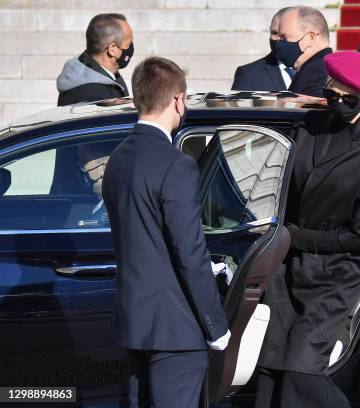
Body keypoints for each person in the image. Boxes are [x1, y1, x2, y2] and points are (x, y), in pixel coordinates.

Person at [255, 51, 360, 408]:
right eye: (330, 96)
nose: (337, 104)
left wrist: (298, 237)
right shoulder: (306, 128)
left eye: (346, 99)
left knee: (302, 372)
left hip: (336, 277)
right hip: (287, 272)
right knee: (269, 368)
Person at [102, 57, 230, 408]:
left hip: (135, 322)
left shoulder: (117, 159)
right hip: (176, 329)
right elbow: (188, 252)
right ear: (177, 100)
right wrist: (216, 327)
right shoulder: (176, 164)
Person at [57, 13, 133, 106]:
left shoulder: (106, 76)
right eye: (129, 43)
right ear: (112, 49)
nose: (130, 48)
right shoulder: (93, 97)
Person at [232, 7, 294, 92]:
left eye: (283, 34)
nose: (277, 39)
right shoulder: (249, 74)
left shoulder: (316, 69)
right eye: (274, 33)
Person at [276, 6, 332, 98]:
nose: (279, 43)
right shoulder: (318, 68)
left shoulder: (315, 75)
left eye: (284, 37)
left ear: (310, 38)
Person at [77, 143, 113, 228]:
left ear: (104, 168)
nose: (80, 169)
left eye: (84, 162)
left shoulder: (112, 209)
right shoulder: (102, 204)